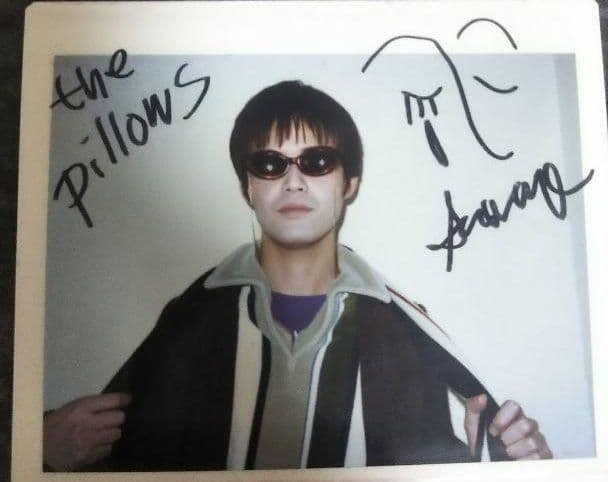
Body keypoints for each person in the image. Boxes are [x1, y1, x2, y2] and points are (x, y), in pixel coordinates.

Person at [43, 80, 552, 471]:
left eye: (317, 161)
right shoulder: (191, 318)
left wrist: (522, 466)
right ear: (247, 186)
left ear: (349, 184)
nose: (293, 181)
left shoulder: (402, 329)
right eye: (270, 164)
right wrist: (40, 448)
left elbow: (442, 457)